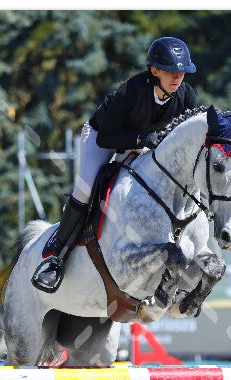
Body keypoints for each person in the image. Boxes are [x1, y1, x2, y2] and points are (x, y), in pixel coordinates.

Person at [32, 36, 199, 293]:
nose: (177, 77)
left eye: (182, 72)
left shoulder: (186, 96)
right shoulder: (131, 91)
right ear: (154, 71)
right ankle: (56, 259)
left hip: (143, 144)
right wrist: (140, 140)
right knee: (85, 191)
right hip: (102, 137)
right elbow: (106, 138)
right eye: (170, 71)